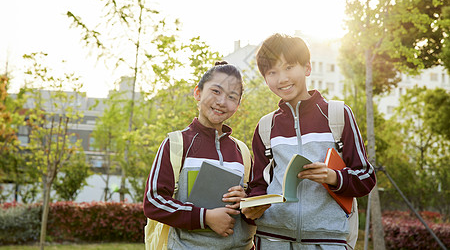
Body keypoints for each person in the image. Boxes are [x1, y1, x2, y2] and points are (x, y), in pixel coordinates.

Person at [242, 33, 376, 249]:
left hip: (327, 240)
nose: (282, 78)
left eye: (288, 67)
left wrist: (333, 177)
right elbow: (259, 185)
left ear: (307, 68)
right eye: (272, 72)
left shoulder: (338, 115)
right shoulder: (266, 127)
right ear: (265, 79)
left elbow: (366, 177)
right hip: (272, 240)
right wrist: (253, 206)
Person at [143, 61, 256, 250]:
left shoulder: (242, 151)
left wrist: (245, 200)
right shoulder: (176, 144)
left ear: (237, 105)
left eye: (231, 96)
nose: (221, 102)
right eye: (216, 91)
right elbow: (154, 202)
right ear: (198, 93)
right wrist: (205, 218)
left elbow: (256, 206)